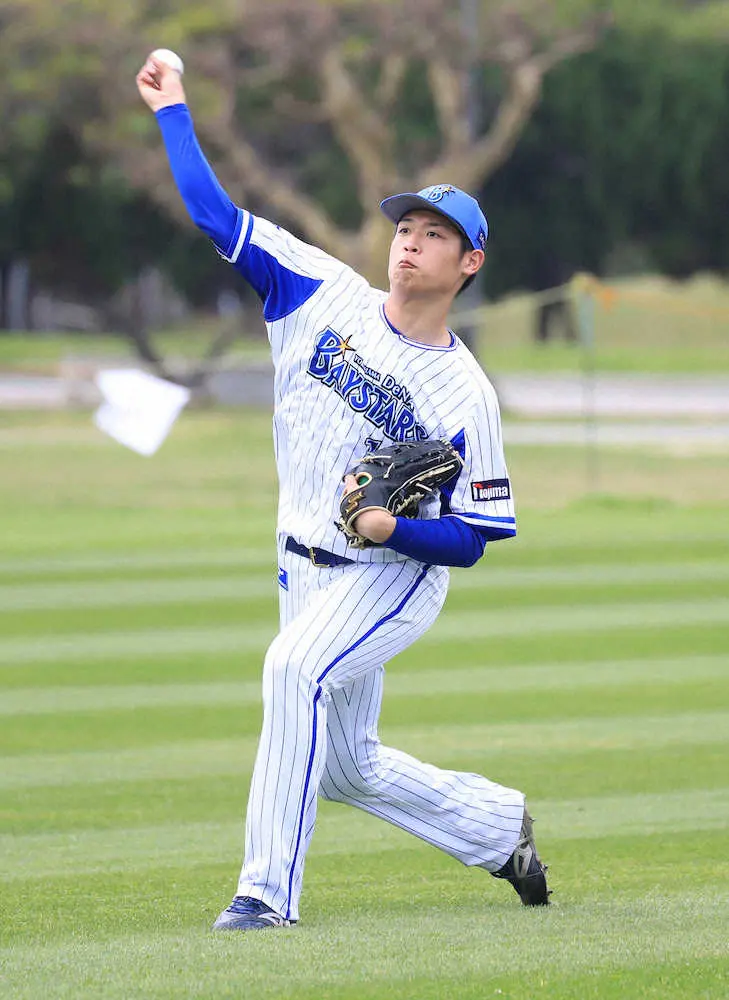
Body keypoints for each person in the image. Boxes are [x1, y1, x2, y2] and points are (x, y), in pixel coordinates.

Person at [136, 54, 550, 931]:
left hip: (389, 577)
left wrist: (393, 527)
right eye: (406, 226)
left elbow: (475, 535)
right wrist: (173, 109)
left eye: (434, 234)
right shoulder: (317, 292)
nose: (410, 240)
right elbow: (215, 216)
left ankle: (264, 896)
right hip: (298, 563)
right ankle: (496, 827)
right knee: (346, 767)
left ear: (469, 262)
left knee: (292, 671)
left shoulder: (464, 395)